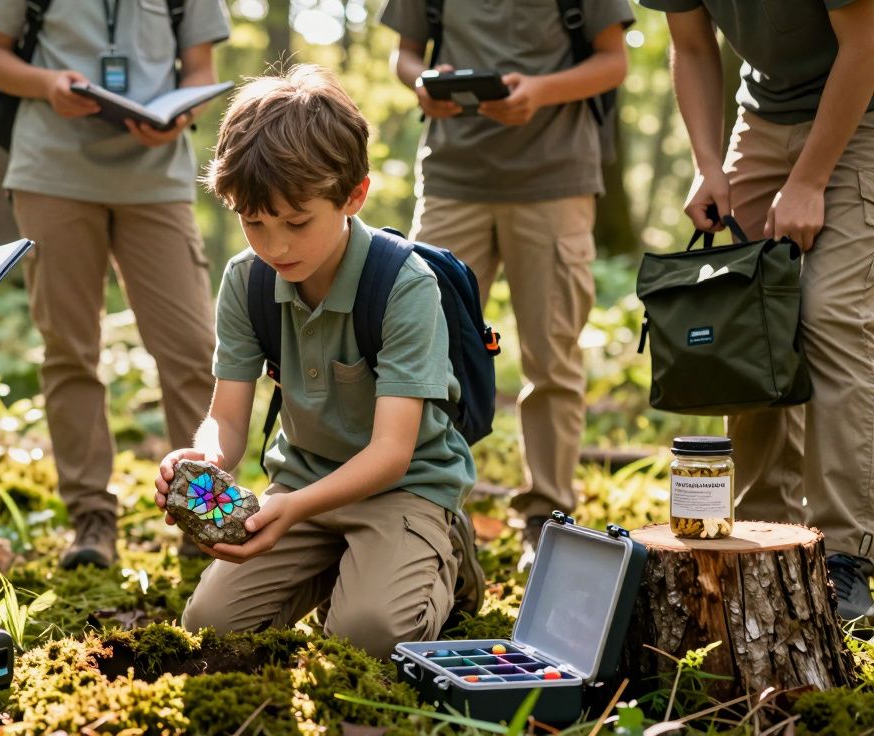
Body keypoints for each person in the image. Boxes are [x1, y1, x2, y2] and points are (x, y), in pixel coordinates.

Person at [154, 64, 481, 659]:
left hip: (402, 489)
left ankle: (441, 558)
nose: (275, 246)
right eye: (254, 223)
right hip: (300, 483)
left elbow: (391, 453)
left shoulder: (403, 284)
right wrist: (204, 455)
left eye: (297, 222)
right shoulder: (247, 282)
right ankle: (347, 569)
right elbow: (226, 416)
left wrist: (289, 509)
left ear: (353, 195)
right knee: (209, 627)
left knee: (368, 636)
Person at [0, 0, 229, 569]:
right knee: (70, 351)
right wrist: (47, 84)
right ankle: (92, 522)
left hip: (157, 179)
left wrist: (180, 118)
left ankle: (203, 517)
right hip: (51, 172)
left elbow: (201, 70)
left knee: (191, 350)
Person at [640, 0, 874, 620]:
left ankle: (846, 555)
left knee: (828, 313)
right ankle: (771, 531)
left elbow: (866, 42)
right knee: (739, 316)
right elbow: (691, 45)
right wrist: (707, 164)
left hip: (863, 107)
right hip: (763, 117)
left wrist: (810, 179)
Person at [380, 0, 631, 570]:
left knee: (552, 356)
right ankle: (422, 507)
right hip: (451, 177)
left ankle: (546, 520)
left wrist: (539, 90)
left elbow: (613, 62)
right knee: (421, 350)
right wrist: (422, 82)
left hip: (556, 179)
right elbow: (406, 54)